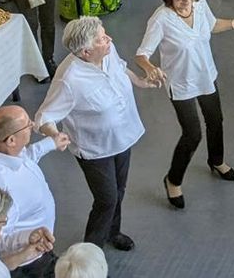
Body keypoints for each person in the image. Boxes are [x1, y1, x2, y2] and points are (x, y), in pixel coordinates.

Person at [136, 0, 234, 208]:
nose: (186, 1)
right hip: (180, 82)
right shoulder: (161, 19)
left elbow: (212, 25)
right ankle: (173, 180)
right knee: (192, 134)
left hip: (205, 74)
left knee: (216, 120)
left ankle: (217, 160)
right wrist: (150, 68)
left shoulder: (200, 4)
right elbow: (142, 54)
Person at [35, 17, 158, 251]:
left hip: (121, 137)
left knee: (119, 191)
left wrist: (141, 82)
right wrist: (54, 135)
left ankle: (114, 231)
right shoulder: (69, 79)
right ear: (85, 51)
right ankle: (91, 250)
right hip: (94, 149)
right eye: (102, 38)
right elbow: (44, 116)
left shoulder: (107, 51)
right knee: (107, 199)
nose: (109, 39)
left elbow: (121, 67)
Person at [0, 106, 70, 278]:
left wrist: (50, 143)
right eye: (27, 125)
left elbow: (23, 157)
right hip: (28, 263)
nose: (32, 124)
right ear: (10, 140)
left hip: (39, 245)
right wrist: (28, 242)